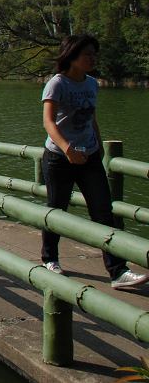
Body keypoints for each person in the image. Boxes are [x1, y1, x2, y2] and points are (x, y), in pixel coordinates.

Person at [40, 33, 148, 289]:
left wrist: (97, 144)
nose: (92, 58)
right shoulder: (57, 84)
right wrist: (67, 149)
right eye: (87, 54)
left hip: (89, 156)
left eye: (93, 54)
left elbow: (91, 117)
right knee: (56, 209)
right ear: (72, 56)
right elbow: (48, 122)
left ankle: (117, 271)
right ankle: (49, 258)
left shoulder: (91, 83)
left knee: (103, 212)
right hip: (59, 157)